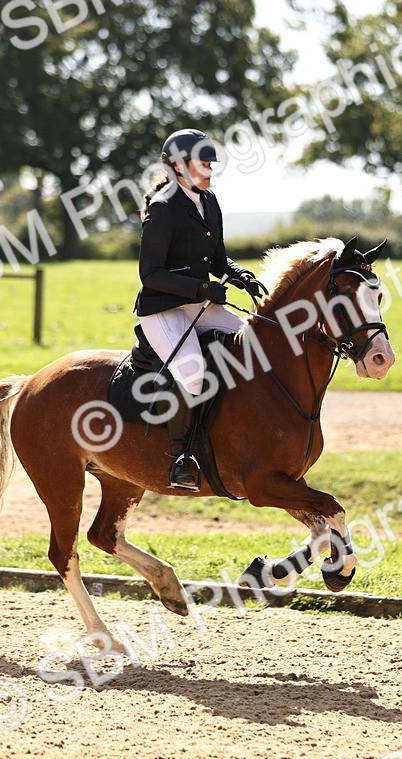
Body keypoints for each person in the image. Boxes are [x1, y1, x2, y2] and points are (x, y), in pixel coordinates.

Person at [135, 128, 267, 490]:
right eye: (204, 163)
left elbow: (219, 260)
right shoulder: (163, 209)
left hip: (200, 302)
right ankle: (181, 458)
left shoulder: (209, 203)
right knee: (193, 375)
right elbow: (150, 274)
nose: (210, 169)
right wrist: (200, 287)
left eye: (211, 163)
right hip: (162, 310)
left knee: (253, 345)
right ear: (179, 165)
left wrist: (240, 275)